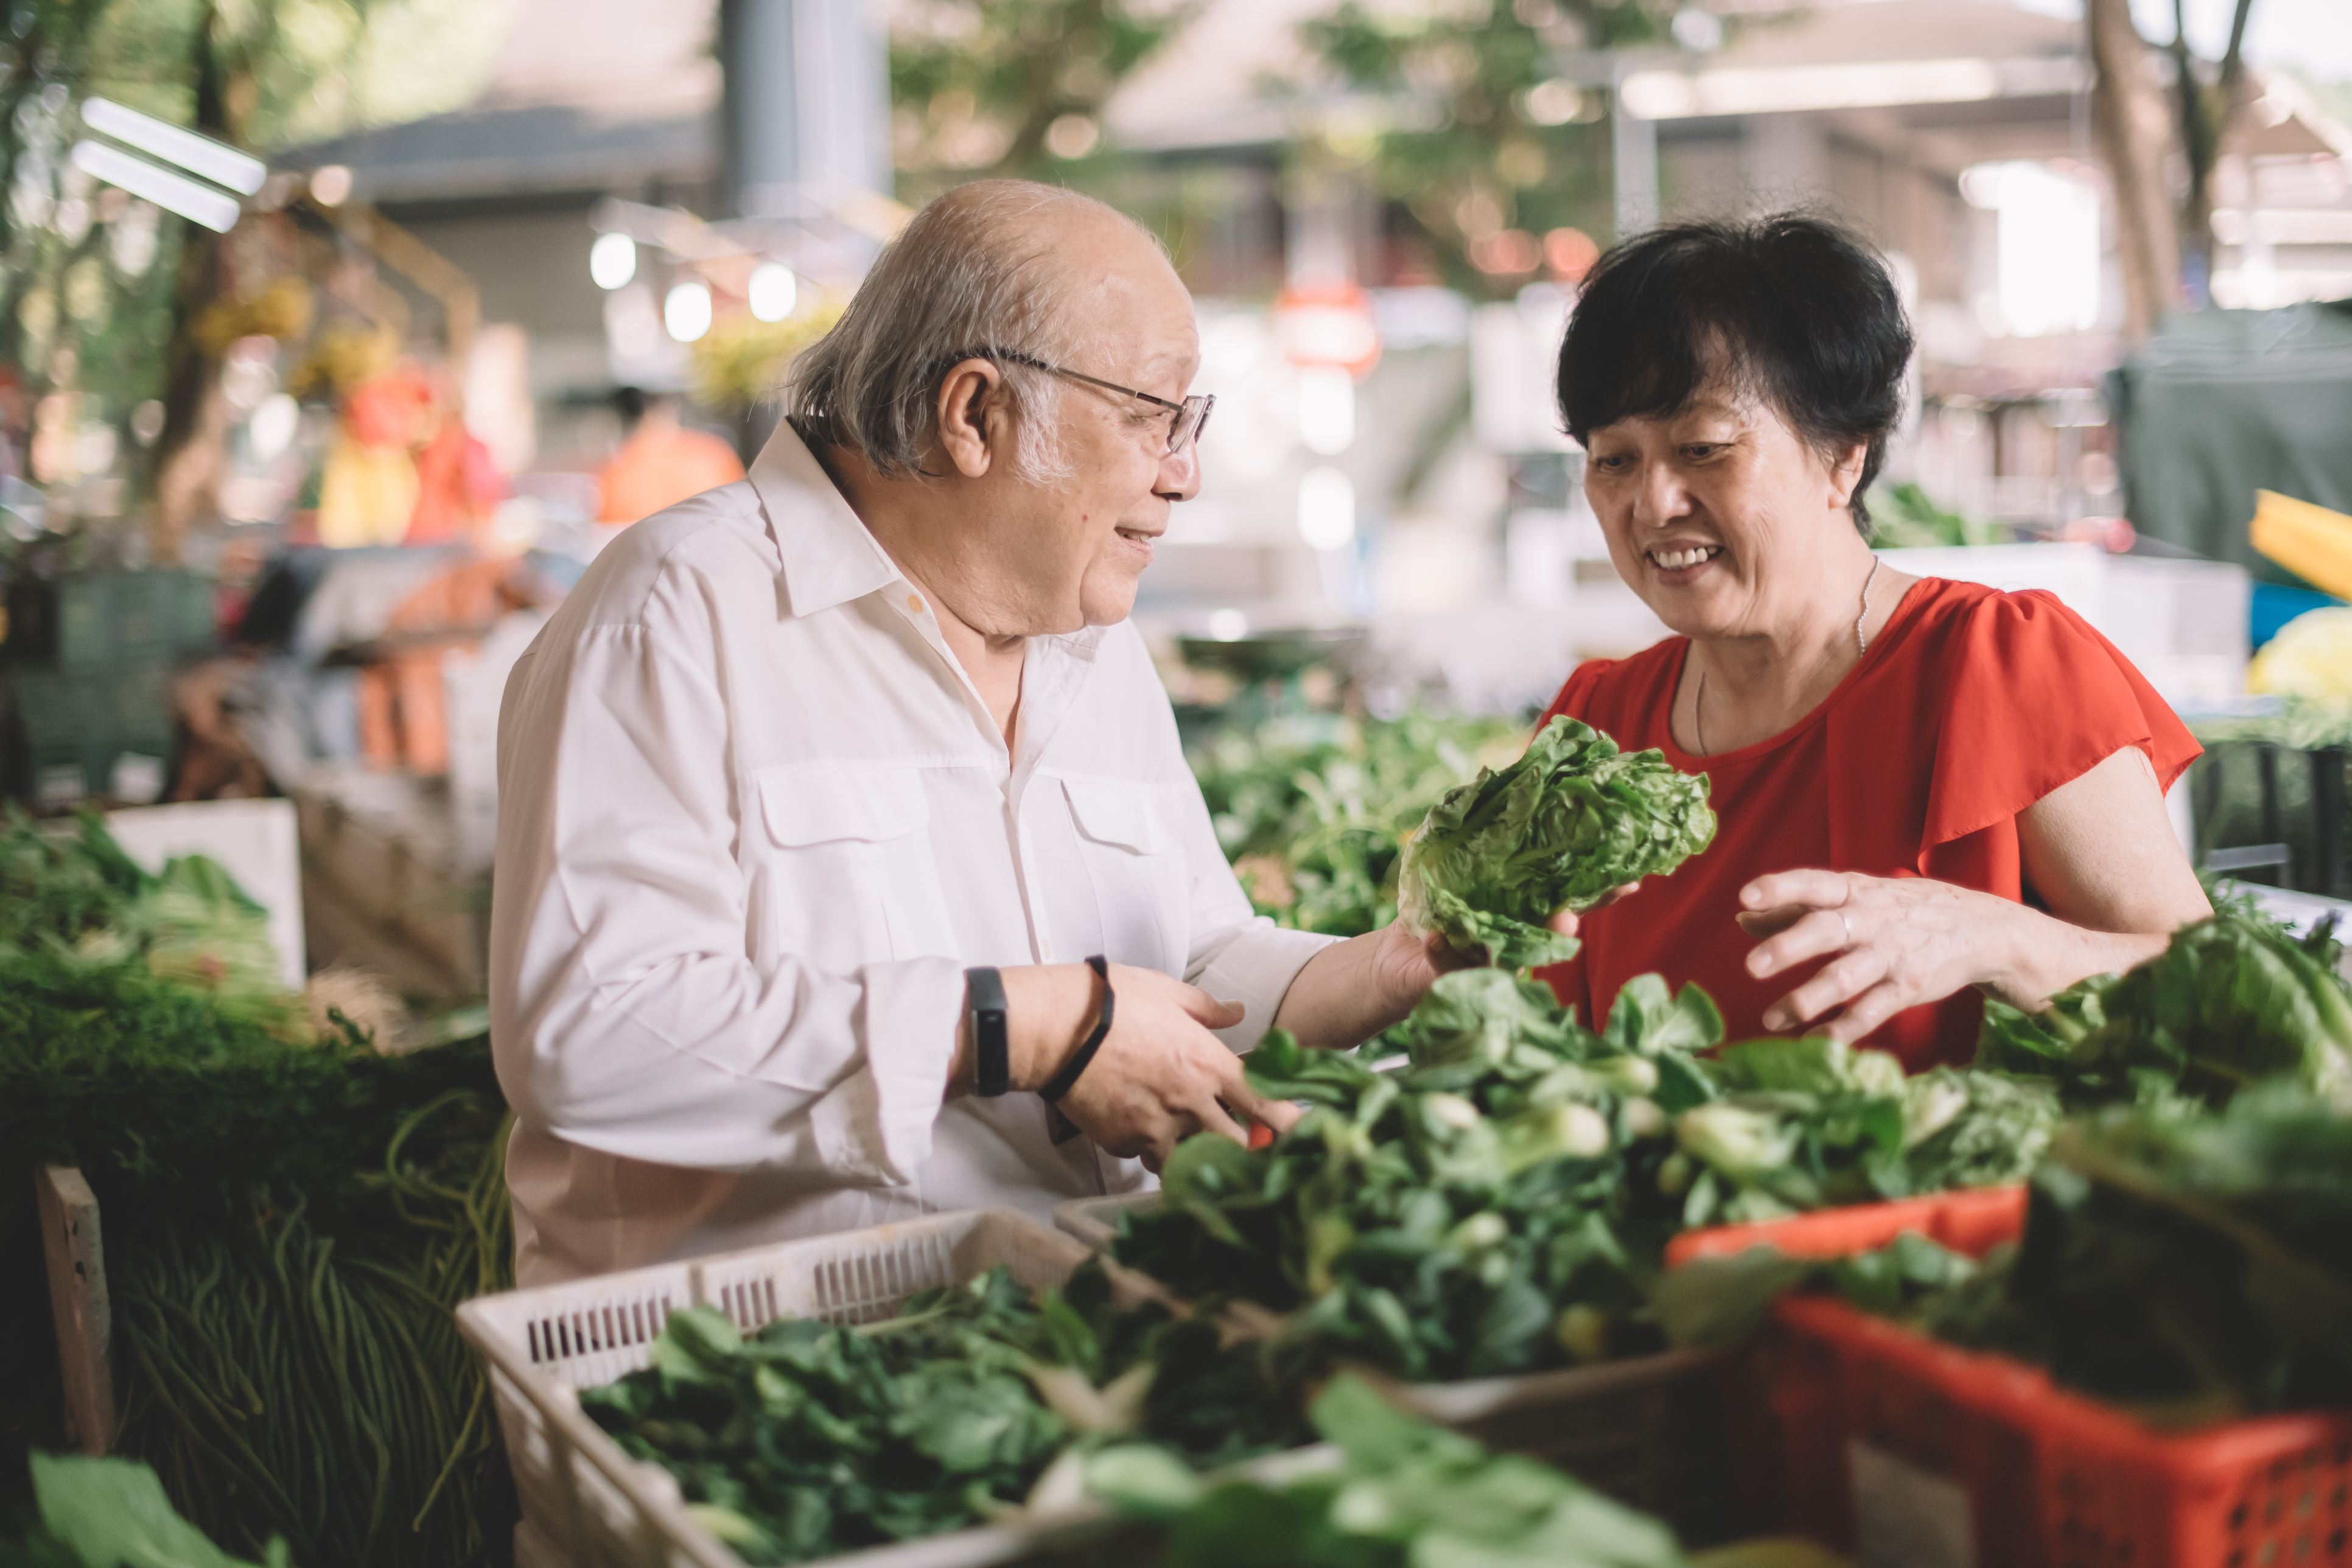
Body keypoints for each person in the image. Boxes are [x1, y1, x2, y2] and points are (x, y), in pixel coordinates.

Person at [491, 181, 1563, 1284]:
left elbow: (1186, 955)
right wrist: (1015, 1025)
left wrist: (1376, 972)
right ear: (974, 413)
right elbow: (593, 1035)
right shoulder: (674, 612)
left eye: (1188, 423)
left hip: (1061, 1332)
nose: (1182, 472)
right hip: (770, 1373)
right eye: (1154, 414)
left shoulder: (1088, 646)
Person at [1537, 215, 2210, 1069]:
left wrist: (2004, 941)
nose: (1653, 502)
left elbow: (2211, 1001)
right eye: (1614, 460)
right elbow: (1534, 1047)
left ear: (1843, 457)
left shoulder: (1998, 665)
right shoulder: (1593, 728)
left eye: (1701, 449)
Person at [594, 387, 746, 524]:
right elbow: (742, 508)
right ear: (672, 407)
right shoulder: (715, 454)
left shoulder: (618, 469)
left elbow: (611, 529)